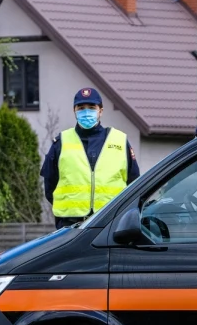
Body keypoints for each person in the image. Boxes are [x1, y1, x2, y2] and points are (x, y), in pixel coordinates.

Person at [41, 87, 140, 228]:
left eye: (91, 107)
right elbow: (50, 185)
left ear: (101, 111)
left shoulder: (119, 141)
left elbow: (134, 182)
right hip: (70, 225)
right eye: (81, 107)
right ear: (74, 111)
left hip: (111, 223)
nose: (86, 112)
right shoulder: (61, 142)